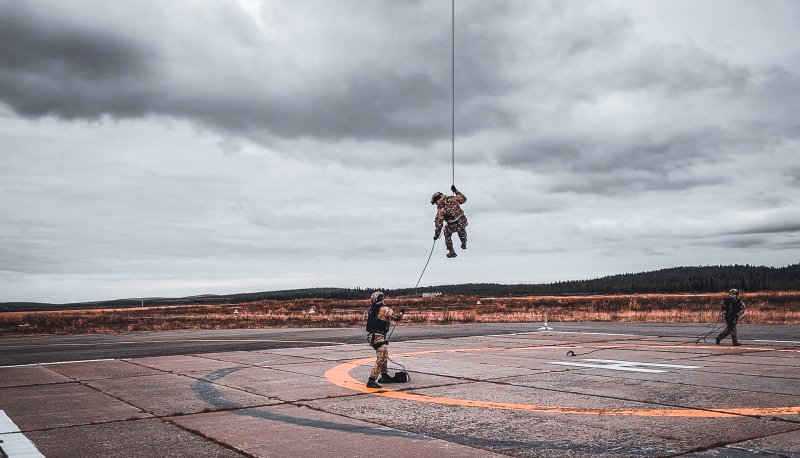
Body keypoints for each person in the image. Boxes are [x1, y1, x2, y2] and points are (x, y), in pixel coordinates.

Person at [365, 291, 404, 388]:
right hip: (378, 337)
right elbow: (396, 317)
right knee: (381, 358)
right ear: (381, 299)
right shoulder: (385, 309)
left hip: (372, 337)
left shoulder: (371, 310)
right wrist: (401, 313)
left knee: (384, 356)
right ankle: (371, 380)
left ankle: (384, 375)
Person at [432, 185, 468, 258]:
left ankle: (451, 252)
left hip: (452, 224)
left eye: (435, 202)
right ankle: (464, 243)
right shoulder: (453, 198)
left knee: (447, 234)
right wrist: (456, 191)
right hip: (462, 220)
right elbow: (463, 199)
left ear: (437, 200)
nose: (436, 204)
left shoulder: (441, 209)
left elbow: (438, 224)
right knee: (462, 230)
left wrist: (436, 235)